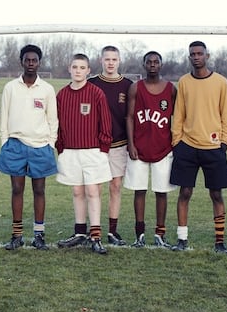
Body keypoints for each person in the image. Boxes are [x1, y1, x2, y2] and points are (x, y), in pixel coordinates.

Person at [169, 41, 227, 253]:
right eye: (192, 54)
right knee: (185, 192)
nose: (196, 57)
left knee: (216, 194)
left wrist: (223, 143)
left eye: (199, 53)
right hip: (187, 146)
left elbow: (226, 115)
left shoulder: (221, 82)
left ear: (207, 56)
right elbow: (179, 114)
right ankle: (182, 240)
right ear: (189, 57)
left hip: (214, 147)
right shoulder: (184, 82)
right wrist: (177, 142)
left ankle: (220, 242)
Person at [0, 44, 58, 251]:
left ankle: (39, 235)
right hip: (16, 145)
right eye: (27, 60)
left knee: (39, 190)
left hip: (41, 146)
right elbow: (3, 118)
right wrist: (5, 142)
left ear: (39, 63)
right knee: (17, 189)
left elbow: (52, 120)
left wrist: (50, 143)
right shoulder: (11, 87)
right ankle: (17, 235)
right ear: (21, 61)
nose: (31, 63)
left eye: (34, 60)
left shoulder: (47, 89)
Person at [55, 54, 113, 255]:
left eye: (82, 67)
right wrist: (61, 148)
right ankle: (80, 233)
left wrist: (103, 149)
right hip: (70, 151)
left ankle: (95, 236)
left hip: (93, 151)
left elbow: (105, 123)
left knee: (92, 191)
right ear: (69, 69)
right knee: (77, 192)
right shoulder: (62, 95)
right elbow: (58, 125)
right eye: (75, 67)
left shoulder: (96, 93)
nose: (78, 70)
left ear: (89, 70)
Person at [124, 51, 177, 248]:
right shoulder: (135, 88)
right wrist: (130, 143)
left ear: (161, 65)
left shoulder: (171, 89)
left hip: (163, 148)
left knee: (161, 191)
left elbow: (178, 118)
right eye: (149, 62)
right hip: (138, 147)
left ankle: (160, 235)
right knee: (139, 190)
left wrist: (175, 142)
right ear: (144, 65)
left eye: (156, 62)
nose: (153, 65)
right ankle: (140, 235)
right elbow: (129, 117)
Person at [87, 45, 133, 246]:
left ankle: (112, 232)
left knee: (115, 187)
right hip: (96, 145)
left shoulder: (128, 85)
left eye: (114, 59)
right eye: (107, 59)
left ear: (119, 61)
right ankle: (92, 229)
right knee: (94, 188)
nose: (111, 63)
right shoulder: (92, 84)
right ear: (101, 61)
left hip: (119, 144)